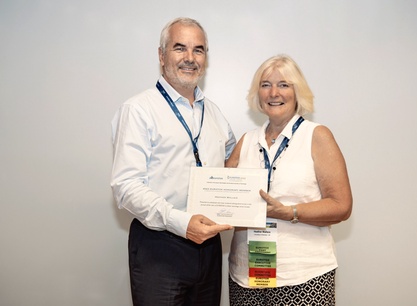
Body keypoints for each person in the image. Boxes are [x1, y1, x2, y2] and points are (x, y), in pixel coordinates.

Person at [111, 17, 236, 306]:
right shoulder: (139, 110)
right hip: (160, 246)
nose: (190, 58)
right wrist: (180, 222)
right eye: (180, 48)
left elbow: (232, 160)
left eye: (199, 50)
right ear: (161, 55)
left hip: (209, 247)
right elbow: (126, 186)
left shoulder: (214, 113)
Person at [226, 55, 352, 306]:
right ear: (257, 93)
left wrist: (289, 212)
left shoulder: (317, 136)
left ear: (298, 92)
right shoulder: (246, 141)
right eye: (265, 85)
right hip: (246, 276)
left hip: (303, 276)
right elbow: (225, 200)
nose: (274, 92)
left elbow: (342, 206)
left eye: (284, 84)